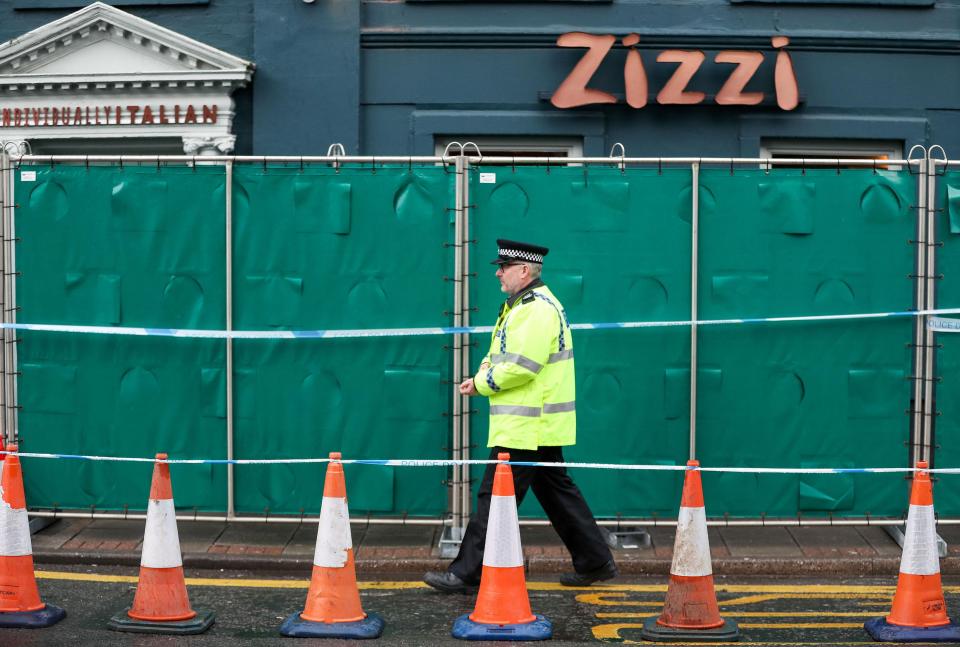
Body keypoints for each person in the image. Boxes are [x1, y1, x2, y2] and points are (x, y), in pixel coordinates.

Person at [424, 239, 617, 593]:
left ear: (524, 271)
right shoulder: (521, 306)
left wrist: (482, 384)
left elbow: (521, 366)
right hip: (534, 425)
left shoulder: (536, 309)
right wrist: (482, 374)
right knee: (556, 493)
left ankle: (466, 573)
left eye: (504, 267)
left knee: (493, 498)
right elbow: (498, 353)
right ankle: (595, 560)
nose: (498, 272)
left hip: (526, 426)